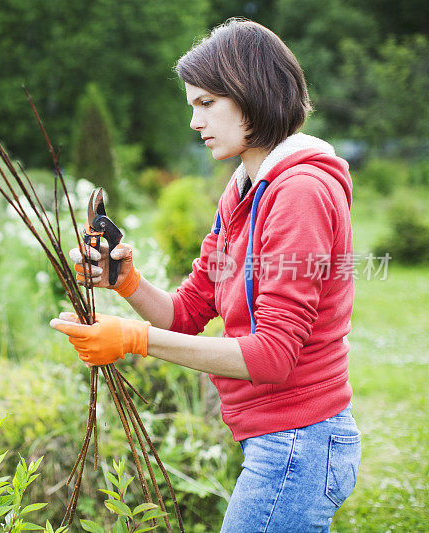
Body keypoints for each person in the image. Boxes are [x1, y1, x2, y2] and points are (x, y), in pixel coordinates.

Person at [50, 19, 361, 532]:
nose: (194, 121)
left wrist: (133, 340)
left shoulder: (299, 193)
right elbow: (189, 312)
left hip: (301, 442)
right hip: (279, 441)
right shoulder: (243, 190)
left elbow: (273, 356)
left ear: (251, 94)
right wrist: (127, 283)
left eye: (206, 103)